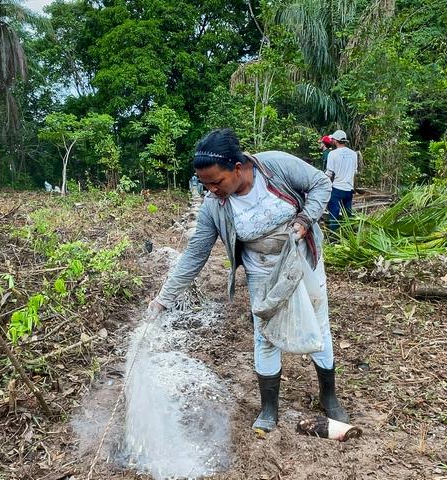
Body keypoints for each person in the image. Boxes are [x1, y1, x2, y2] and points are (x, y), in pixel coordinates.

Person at [146, 128, 350, 433]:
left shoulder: (276, 166)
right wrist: (163, 298)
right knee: (264, 335)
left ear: (238, 168)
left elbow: (321, 183)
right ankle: (269, 409)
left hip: (301, 257)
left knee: (319, 322)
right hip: (261, 270)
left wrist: (305, 220)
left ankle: (329, 396)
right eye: (205, 185)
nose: (211, 190)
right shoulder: (214, 206)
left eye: (216, 182)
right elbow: (194, 255)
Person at [324, 129, 358, 231]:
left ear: (336, 140)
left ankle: (334, 239)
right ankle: (349, 236)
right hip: (349, 189)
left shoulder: (332, 154)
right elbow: (355, 171)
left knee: (334, 215)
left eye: (333, 139)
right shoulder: (353, 154)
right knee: (347, 215)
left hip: (337, 189)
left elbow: (329, 173)